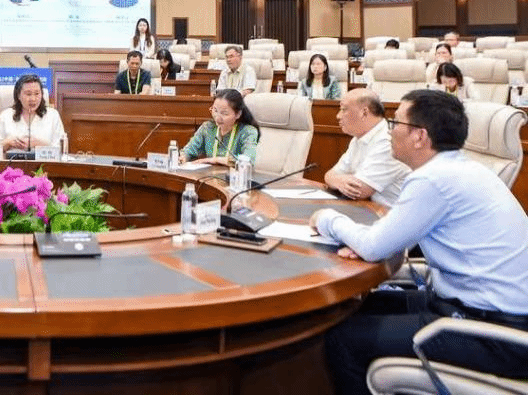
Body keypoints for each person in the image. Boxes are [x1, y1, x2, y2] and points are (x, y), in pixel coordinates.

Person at [312, 90, 528, 395]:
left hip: (494, 333)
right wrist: (365, 240)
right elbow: (383, 238)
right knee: (353, 307)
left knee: (343, 340)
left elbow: (373, 246)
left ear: (419, 136)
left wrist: (327, 219)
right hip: (468, 307)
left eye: (395, 123)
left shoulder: (433, 179)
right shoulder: (461, 168)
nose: (389, 130)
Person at [322, 89, 410, 206]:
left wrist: (337, 179)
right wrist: (338, 180)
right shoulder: (359, 138)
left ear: (364, 113)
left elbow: (359, 190)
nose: (338, 116)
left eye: (343, 109)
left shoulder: (388, 140)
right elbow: (330, 175)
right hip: (368, 208)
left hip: (389, 212)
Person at [180, 89, 259, 166]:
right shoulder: (207, 127)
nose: (217, 118)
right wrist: (183, 157)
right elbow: (189, 150)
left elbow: (249, 159)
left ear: (238, 114)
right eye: (215, 111)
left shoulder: (247, 131)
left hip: (235, 174)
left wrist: (215, 160)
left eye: (224, 113)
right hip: (210, 174)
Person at [0, 73, 65, 151]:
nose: (33, 99)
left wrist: (38, 144)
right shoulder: (6, 115)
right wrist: (7, 143)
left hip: (43, 159)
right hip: (13, 159)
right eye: (28, 94)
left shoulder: (52, 115)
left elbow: (61, 150)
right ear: (18, 95)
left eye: (37, 94)